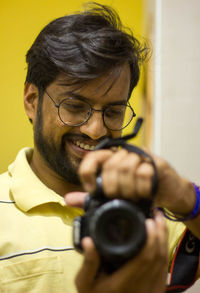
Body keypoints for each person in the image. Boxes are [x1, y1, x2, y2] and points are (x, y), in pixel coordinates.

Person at [0, 2, 199, 293]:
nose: (96, 131)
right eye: (74, 106)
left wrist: (184, 196)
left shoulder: (147, 209)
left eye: (114, 111)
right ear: (32, 100)